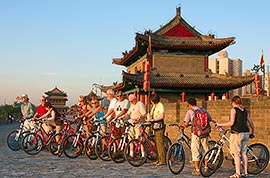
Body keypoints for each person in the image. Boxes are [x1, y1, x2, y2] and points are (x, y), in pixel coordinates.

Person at [216, 96, 254, 178]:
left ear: (233, 102)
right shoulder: (245, 111)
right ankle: (246, 172)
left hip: (237, 134)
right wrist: (252, 131)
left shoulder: (233, 110)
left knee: (236, 154)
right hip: (246, 133)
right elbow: (250, 121)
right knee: (244, 153)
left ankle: (238, 173)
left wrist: (220, 124)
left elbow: (231, 123)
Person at [183, 98, 211, 176]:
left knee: (195, 150)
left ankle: (197, 169)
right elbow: (209, 118)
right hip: (204, 132)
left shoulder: (190, 111)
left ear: (189, 104)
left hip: (196, 133)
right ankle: (206, 167)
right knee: (205, 149)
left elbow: (186, 123)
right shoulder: (203, 110)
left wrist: (185, 125)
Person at [124, 94, 146, 159]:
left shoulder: (140, 104)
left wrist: (138, 118)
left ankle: (143, 155)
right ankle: (131, 154)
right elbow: (128, 113)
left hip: (138, 123)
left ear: (135, 99)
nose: (131, 102)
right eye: (130, 101)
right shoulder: (132, 105)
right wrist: (122, 117)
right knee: (130, 139)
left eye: (132, 101)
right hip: (132, 124)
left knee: (138, 139)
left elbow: (144, 114)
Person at [146, 93, 166, 166]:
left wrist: (154, 119)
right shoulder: (154, 106)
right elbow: (151, 114)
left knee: (160, 143)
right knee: (156, 143)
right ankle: (158, 158)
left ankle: (162, 160)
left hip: (159, 125)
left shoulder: (160, 105)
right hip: (154, 125)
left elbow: (162, 116)